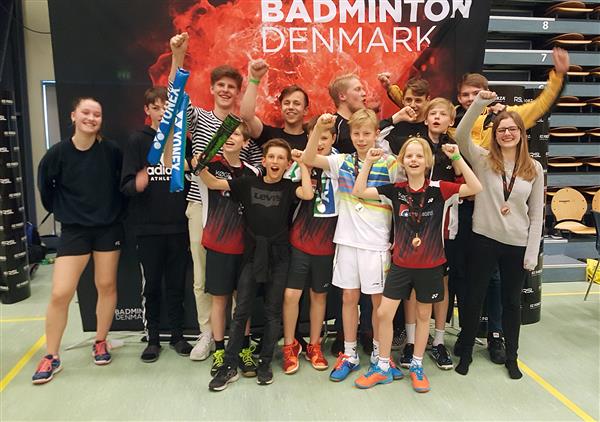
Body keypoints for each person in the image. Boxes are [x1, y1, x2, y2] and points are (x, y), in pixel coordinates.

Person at [448, 47, 569, 364]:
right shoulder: (453, 121)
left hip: (504, 219)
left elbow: (540, 104)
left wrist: (557, 77)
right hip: (468, 213)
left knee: (499, 284)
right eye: (465, 94)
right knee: (466, 279)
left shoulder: (507, 122)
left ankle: (496, 336)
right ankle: (465, 337)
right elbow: (455, 136)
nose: (470, 98)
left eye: (476, 93)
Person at [352, 138, 481, 392]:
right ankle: (382, 367)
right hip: (401, 265)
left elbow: (476, 186)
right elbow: (359, 191)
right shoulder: (395, 190)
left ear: (427, 161)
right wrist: (368, 162)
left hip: (431, 266)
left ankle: (417, 366)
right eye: (409, 156)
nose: (414, 160)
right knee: (384, 313)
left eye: (419, 156)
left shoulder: (440, 189)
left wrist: (457, 157)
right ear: (402, 161)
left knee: (424, 316)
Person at [168, 32, 262, 361]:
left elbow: (256, 169)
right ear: (211, 89)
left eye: (231, 86)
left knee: (237, 276)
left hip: (236, 210)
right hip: (201, 204)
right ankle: (208, 332)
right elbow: (175, 100)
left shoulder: (243, 125)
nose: (225, 90)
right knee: (202, 274)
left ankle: (236, 335)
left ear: (237, 92)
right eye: (220, 85)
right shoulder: (198, 117)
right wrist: (177, 57)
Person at [200, 139, 313, 391]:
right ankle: (229, 365)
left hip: (280, 257)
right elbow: (214, 183)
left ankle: (264, 363)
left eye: (281, 158)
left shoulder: (288, 187)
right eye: (271, 157)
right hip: (252, 256)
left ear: (287, 164)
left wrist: (304, 164)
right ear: (263, 161)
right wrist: (200, 167)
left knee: (273, 312)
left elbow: (307, 193)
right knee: (241, 311)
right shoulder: (247, 183)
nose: (275, 161)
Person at [303, 110, 401, 383]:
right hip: (346, 240)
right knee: (348, 298)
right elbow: (309, 159)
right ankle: (349, 353)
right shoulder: (342, 161)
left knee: (378, 303)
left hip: (376, 243)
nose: (361, 138)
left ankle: (381, 355)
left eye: (367, 133)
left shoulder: (391, 163)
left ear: (376, 134)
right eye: (356, 133)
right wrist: (317, 129)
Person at [453, 90, 544, 380]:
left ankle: (512, 357)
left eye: (512, 129)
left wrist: (531, 253)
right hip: (484, 239)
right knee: (474, 297)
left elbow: (537, 214)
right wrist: (480, 103)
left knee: (512, 304)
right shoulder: (483, 159)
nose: (507, 134)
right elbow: (461, 136)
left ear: (522, 134)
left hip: (516, 243)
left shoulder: (534, 168)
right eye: (501, 129)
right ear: (494, 134)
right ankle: (466, 352)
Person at [33, 97, 124, 384]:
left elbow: (122, 185)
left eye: (97, 114)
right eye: (86, 112)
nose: (91, 118)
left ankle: (101, 341)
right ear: (73, 115)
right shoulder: (57, 154)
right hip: (74, 231)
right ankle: (51, 355)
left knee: (106, 285)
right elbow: (46, 189)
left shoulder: (111, 151)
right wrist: (66, 211)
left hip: (107, 229)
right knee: (60, 293)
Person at [120, 87, 192, 362]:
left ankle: (177, 335)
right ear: (147, 110)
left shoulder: (181, 140)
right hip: (148, 229)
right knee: (151, 286)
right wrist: (137, 183)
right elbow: (126, 185)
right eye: (156, 107)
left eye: (167, 107)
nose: (162, 112)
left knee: (176, 285)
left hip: (178, 227)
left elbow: (191, 180)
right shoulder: (137, 140)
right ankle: (152, 339)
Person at [398, 98, 461, 371]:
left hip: (442, 227)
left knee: (442, 286)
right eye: (432, 113)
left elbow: (463, 183)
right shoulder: (415, 147)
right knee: (412, 287)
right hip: (412, 225)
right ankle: (412, 341)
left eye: (442, 114)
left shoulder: (452, 148)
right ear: (425, 119)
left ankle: (438, 341)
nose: (437, 117)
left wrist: (455, 157)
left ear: (450, 120)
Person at [194, 123, 260, 377]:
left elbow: (219, 186)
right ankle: (220, 351)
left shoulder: (253, 172)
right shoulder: (209, 165)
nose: (231, 138)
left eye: (236, 134)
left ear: (246, 142)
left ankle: (243, 349)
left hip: (244, 248)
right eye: (227, 134)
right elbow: (179, 166)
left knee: (242, 302)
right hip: (218, 245)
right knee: (219, 300)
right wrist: (199, 160)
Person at [280, 117, 338, 375]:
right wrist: (303, 162)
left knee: (319, 296)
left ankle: (314, 345)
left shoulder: (341, 163)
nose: (321, 142)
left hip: (326, 244)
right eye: (317, 137)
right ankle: (289, 345)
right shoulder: (300, 162)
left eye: (325, 137)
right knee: (291, 295)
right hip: (300, 241)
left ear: (334, 138)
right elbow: (291, 185)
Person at [240, 59, 309, 149]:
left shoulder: (312, 138)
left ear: (305, 110)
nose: (291, 107)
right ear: (281, 108)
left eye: (296, 103)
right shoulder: (269, 134)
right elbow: (246, 116)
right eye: (286, 103)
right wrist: (254, 79)